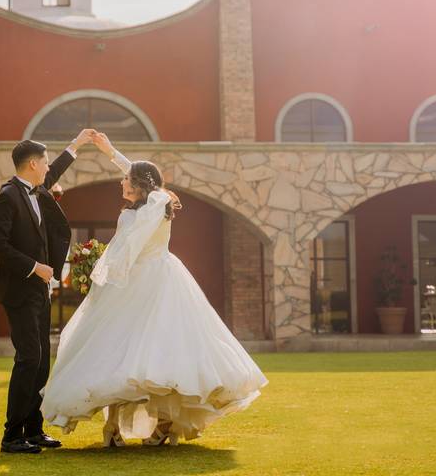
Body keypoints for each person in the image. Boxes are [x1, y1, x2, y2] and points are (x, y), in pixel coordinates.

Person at [40, 132, 267, 447]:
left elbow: (134, 241)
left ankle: (164, 426)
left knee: (162, 352)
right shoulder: (138, 205)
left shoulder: (157, 202)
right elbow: (138, 177)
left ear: (139, 184)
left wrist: (110, 266)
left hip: (156, 281)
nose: (122, 182)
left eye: (126, 180)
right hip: (129, 283)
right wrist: (110, 151)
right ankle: (114, 428)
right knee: (116, 352)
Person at [0, 129, 95, 454]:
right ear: (33, 164)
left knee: (42, 361)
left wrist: (76, 145)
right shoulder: (8, 196)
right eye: (45, 162)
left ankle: (33, 430)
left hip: (41, 290)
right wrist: (35, 267)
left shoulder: (36, 190)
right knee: (29, 359)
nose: (49, 167)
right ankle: (12, 436)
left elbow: (58, 169)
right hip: (19, 290)